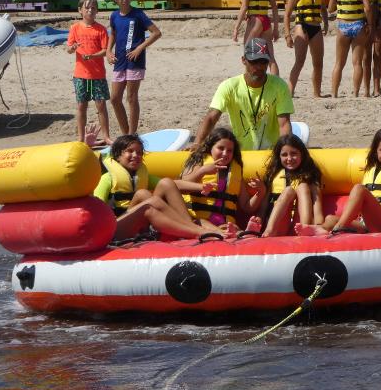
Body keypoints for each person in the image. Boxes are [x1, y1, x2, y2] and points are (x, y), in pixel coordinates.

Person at [297, 126, 381, 235]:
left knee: (359, 189)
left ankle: (337, 230)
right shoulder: (372, 169)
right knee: (329, 219)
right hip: (366, 224)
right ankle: (321, 231)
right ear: (376, 151)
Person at [94, 135, 229, 240]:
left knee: (165, 183)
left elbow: (173, 184)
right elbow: (96, 207)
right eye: (130, 151)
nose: (136, 155)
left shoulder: (142, 175)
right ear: (117, 156)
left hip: (141, 222)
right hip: (117, 227)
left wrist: (200, 186)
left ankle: (211, 230)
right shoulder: (107, 178)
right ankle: (196, 231)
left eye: (139, 152)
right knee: (143, 195)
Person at [190, 37, 294, 151]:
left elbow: (284, 125)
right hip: (240, 154)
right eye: (254, 61)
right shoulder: (229, 86)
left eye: (263, 61)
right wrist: (197, 143)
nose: (259, 67)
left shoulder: (280, 86)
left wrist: (285, 149)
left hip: (271, 152)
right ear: (244, 60)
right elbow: (211, 118)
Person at [180, 127, 265, 232]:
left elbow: (247, 207)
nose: (225, 153)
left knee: (234, 228)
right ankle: (233, 234)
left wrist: (260, 192)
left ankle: (242, 233)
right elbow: (182, 187)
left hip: (226, 224)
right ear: (210, 147)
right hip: (199, 222)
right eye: (220, 148)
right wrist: (202, 171)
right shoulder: (199, 162)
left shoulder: (235, 172)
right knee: (202, 223)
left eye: (229, 151)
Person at [107, 0, 162, 135]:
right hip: (119, 61)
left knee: (131, 98)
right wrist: (108, 51)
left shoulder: (138, 14)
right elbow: (113, 34)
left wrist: (139, 48)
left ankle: (132, 134)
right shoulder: (114, 16)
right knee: (114, 99)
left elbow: (156, 33)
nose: (124, 0)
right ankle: (126, 134)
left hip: (134, 62)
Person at [248, 134, 324, 237]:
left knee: (302, 187)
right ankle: (270, 230)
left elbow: (318, 211)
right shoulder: (273, 177)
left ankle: (305, 228)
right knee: (288, 190)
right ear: (279, 157)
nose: (289, 158)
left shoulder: (310, 179)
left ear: (302, 154)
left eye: (294, 153)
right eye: (284, 155)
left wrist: (319, 226)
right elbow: (263, 208)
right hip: (279, 227)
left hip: (300, 225)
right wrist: (258, 221)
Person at [66, 0, 111, 145]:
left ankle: (106, 136)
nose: (90, 10)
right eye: (87, 8)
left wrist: (92, 56)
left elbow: (106, 50)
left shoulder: (101, 30)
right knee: (81, 106)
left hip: (97, 75)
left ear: (97, 11)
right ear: (80, 10)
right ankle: (80, 138)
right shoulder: (75, 28)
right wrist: (72, 48)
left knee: (101, 105)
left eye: (93, 8)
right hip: (81, 75)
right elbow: (69, 49)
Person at [328, 0, 372, 98]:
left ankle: (334, 93)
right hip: (358, 24)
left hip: (343, 25)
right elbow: (368, 7)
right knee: (357, 62)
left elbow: (330, 8)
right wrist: (369, 24)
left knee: (339, 63)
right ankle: (356, 93)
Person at [283, 0, 328, 97]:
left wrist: (325, 22)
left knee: (318, 63)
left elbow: (323, 9)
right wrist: (287, 35)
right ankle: (289, 93)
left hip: (316, 27)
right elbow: (287, 15)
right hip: (301, 27)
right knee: (299, 61)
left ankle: (317, 93)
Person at [233, 0, 279, 76]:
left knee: (248, 55)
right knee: (271, 58)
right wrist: (276, 29)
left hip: (255, 21)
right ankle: (278, 87)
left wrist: (236, 27)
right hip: (266, 21)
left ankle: (249, 83)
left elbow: (244, 7)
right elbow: (274, 7)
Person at [363, 0, 381, 96]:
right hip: (366, 23)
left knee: (378, 56)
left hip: (379, 21)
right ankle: (366, 90)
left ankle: (377, 88)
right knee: (366, 58)